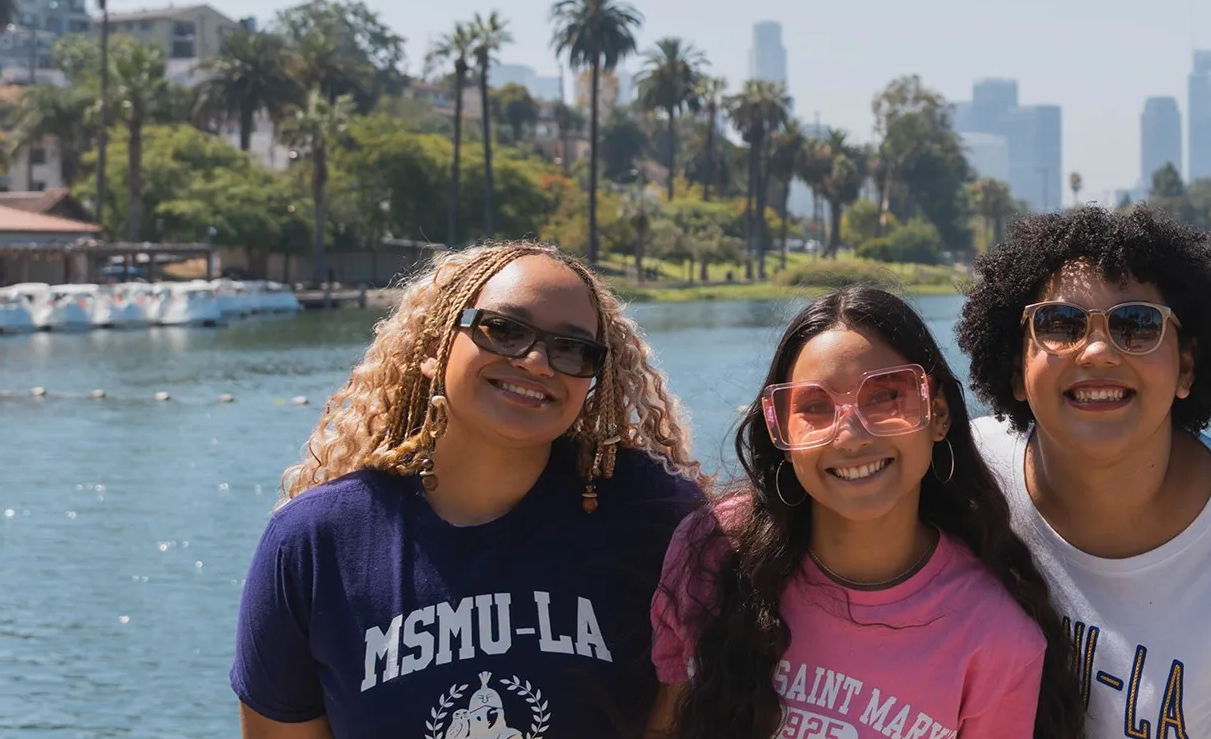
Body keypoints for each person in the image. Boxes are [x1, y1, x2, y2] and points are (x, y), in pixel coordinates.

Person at [232, 241, 707, 739]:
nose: (538, 361)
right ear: (437, 343)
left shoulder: (661, 519)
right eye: (503, 330)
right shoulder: (313, 543)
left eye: (571, 349)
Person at [648, 286, 1084, 739]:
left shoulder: (997, 639)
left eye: (885, 397)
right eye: (814, 407)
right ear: (782, 435)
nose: (851, 435)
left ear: (937, 414)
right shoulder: (714, 550)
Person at [957, 205, 1211, 738]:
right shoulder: (966, 477)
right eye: (1060, 324)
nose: (1100, 351)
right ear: (1017, 369)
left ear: (1187, 367)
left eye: (1137, 324)